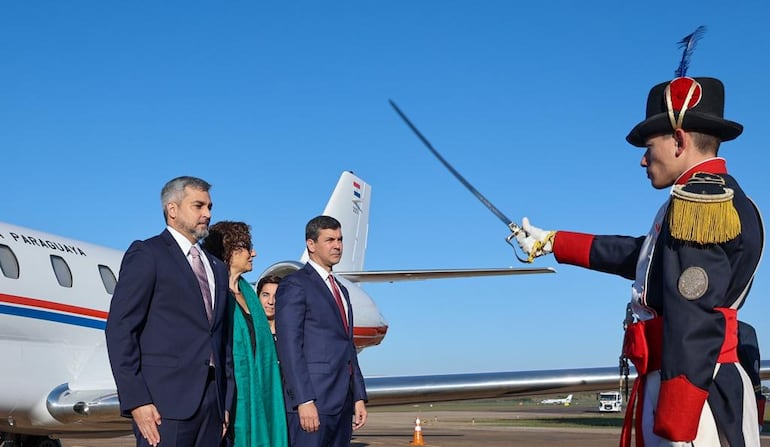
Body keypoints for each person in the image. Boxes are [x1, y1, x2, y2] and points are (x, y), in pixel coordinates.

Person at [515, 76, 764, 446]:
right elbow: (644, 257)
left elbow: (692, 317)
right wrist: (555, 242)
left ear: (679, 140)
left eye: (650, 146)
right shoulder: (725, 196)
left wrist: (677, 417)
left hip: (692, 392)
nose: (644, 159)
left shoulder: (698, 202)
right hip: (706, 380)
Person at [105, 176, 235, 447]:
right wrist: (137, 400)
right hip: (164, 406)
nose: (208, 214)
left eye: (210, 207)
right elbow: (121, 330)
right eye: (198, 206)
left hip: (212, 405)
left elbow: (223, 342)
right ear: (172, 209)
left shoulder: (217, 268)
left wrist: (225, 403)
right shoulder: (148, 254)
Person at [275, 215, 368, 447]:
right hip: (313, 402)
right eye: (329, 240)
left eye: (340, 239)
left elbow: (348, 348)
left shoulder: (342, 291)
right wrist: (304, 400)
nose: (337, 245)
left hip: (342, 403)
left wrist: (357, 396)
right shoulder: (295, 284)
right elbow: (289, 347)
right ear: (311, 244)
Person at [202, 221, 288, 447]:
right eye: (247, 247)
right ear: (229, 252)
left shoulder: (249, 293)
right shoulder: (215, 293)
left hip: (260, 392)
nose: (254, 253)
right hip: (231, 396)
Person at [256, 275, 281, 339]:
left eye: (276, 297)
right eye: (265, 295)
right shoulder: (248, 331)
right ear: (258, 297)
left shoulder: (288, 334)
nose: (270, 302)